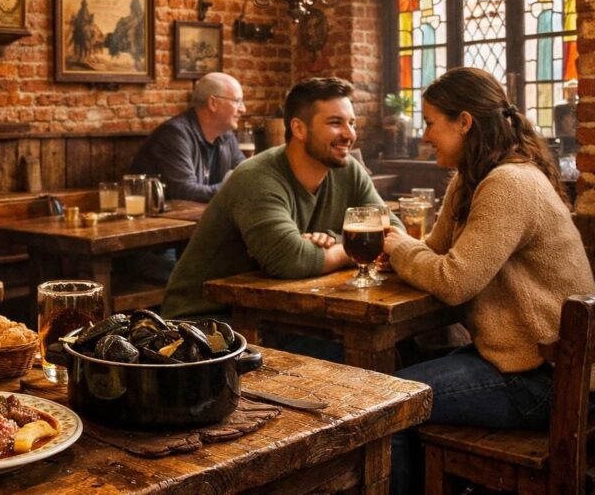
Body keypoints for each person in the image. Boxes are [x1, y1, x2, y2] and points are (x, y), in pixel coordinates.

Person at [383, 67, 595, 495]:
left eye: (431, 123)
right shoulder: (474, 177)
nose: (425, 135)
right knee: (394, 383)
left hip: (548, 381)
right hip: (521, 361)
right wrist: (407, 251)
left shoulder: (509, 183)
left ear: (464, 122)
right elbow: (437, 249)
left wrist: (399, 249)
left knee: (388, 408)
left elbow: (452, 280)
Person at [162, 76, 397, 319]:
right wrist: (357, 247)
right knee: (344, 351)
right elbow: (289, 259)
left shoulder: (348, 169)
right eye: (335, 123)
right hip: (206, 320)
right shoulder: (257, 177)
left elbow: (392, 234)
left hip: (274, 310)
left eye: (352, 123)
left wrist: (332, 239)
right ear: (299, 128)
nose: (349, 134)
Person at [130, 72, 246, 202]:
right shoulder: (174, 134)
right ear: (213, 103)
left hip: (203, 217)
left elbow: (247, 174)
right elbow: (185, 191)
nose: (243, 109)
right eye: (237, 101)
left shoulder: (226, 136)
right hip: (163, 220)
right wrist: (234, 189)